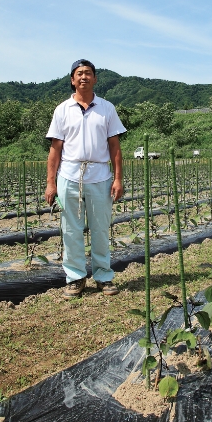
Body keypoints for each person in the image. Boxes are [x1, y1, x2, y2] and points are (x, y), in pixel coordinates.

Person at [45, 59, 126, 299]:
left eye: (88, 73)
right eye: (79, 74)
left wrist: (118, 179)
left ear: (95, 79)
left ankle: (103, 276)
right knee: (71, 229)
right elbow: (55, 150)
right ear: (72, 80)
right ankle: (75, 278)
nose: (84, 77)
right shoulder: (62, 110)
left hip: (100, 176)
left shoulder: (107, 108)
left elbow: (115, 147)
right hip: (69, 176)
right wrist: (51, 183)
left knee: (100, 228)